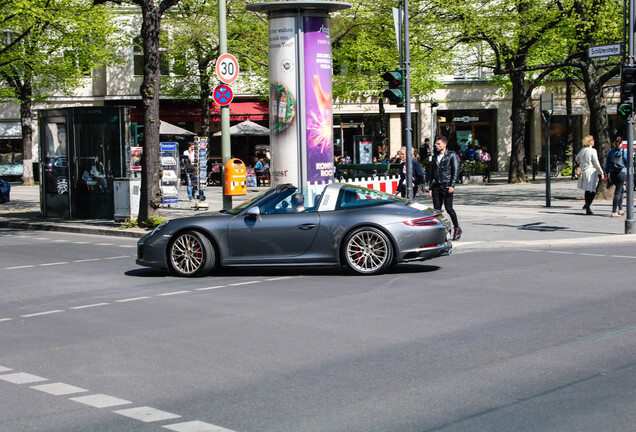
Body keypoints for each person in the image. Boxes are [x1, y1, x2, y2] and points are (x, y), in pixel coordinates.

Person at [429, 135, 462, 240]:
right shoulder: (435, 157)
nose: (436, 145)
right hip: (436, 186)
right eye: (436, 144)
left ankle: (456, 227)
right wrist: (430, 187)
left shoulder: (451, 155)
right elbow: (432, 173)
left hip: (446, 185)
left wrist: (452, 185)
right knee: (437, 210)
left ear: (444, 144)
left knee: (449, 209)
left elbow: (455, 171)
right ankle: (442, 230)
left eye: (438, 144)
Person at [575, 135, 604, 215]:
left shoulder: (582, 150)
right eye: (593, 140)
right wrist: (601, 172)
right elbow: (596, 162)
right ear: (590, 142)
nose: (594, 142)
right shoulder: (593, 151)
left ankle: (588, 208)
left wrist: (581, 163)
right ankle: (587, 204)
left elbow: (577, 158)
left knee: (587, 190)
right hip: (591, 171)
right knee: (593, 189)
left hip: (584, 171)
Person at [604, 136, 627, 217]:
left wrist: (606, 173)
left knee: (621, 189)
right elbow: (627, 161)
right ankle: (614, 211)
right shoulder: (624, 151)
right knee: (618, 191)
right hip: (621, 172)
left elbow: (607, 163)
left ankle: (620, 209)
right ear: (622, 142)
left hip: (612, 173)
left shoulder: (611, 152)